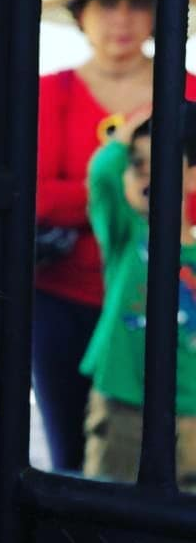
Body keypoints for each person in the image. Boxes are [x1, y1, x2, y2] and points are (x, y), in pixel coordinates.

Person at [34, 0, 196, 472]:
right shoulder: (46, 93)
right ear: (80, 14)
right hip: (63, 302)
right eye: (106, 2)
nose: (122, 18)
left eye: (138, 2)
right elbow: (29, 197)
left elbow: (57, 197)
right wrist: (145, 192)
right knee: (74, 461)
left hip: (178, 304)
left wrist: (96, 193)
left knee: (176, 467)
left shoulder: (189, 93)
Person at [79, 104, 196, 490]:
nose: (144, 171)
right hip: (124, 404)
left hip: (194, 413)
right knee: (110, 508)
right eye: (136, 163)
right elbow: (103, 173)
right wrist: (133, 130)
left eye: (158, 162)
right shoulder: (127, 232)